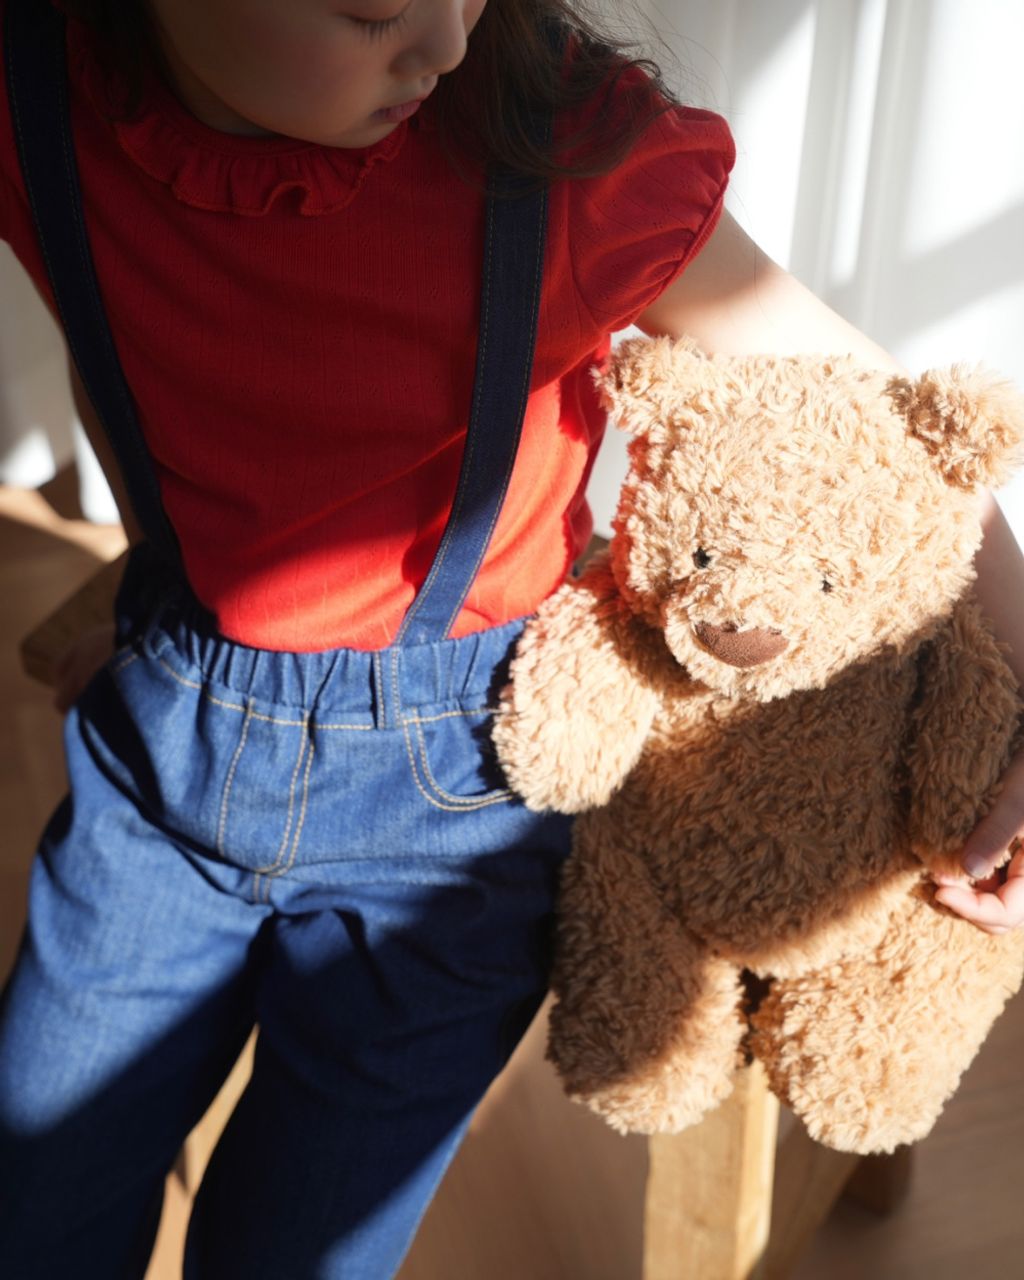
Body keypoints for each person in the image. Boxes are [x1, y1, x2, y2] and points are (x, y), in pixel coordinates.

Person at [0, 1, 1021, 1277]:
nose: (445, 44)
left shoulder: (563, 147)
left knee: (299, 1246)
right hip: (155, 767)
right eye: (374, 7)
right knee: (36, 1199)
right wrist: (174, 576)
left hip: (449, 812)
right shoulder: (37, 95)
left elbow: (892, 426)